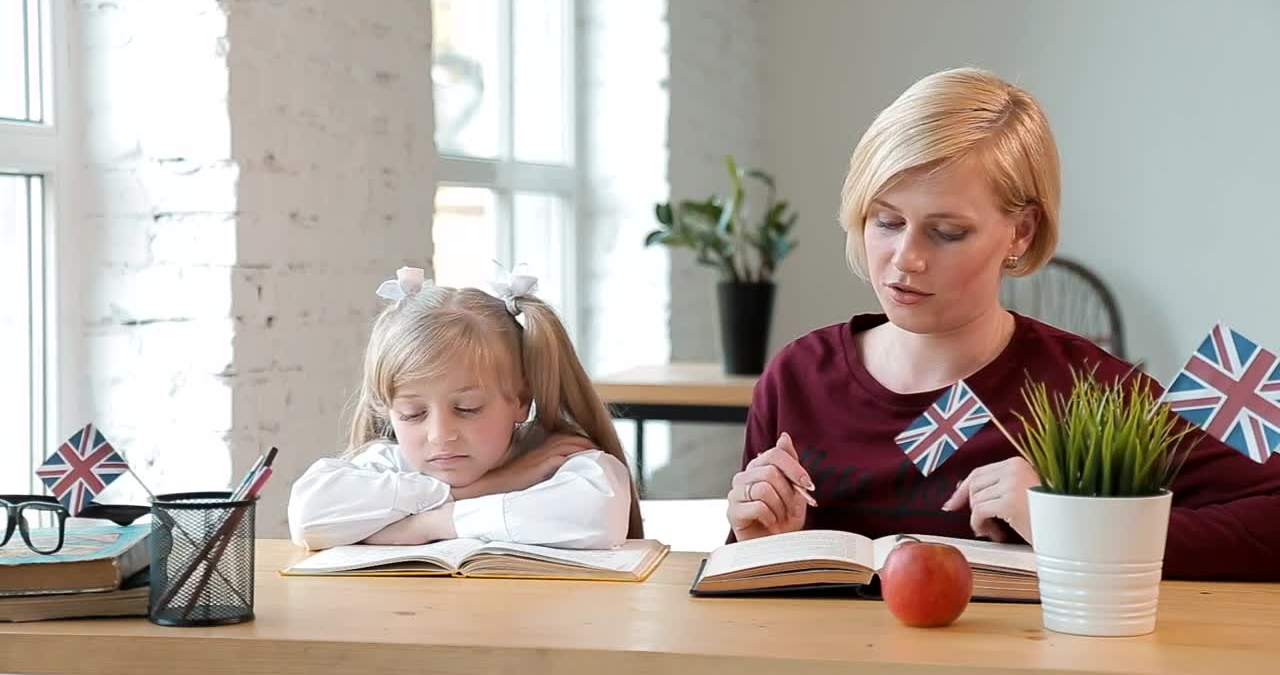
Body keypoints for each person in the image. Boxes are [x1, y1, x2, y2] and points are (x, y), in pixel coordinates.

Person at [724, 67, 1280, 580]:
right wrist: (756, 542)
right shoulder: (796, 375)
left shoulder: (1095, 387)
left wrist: (1071, 525)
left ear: (1021, 233)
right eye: (886, 221)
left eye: (946, 232)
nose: (905, 259)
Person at [289, 265, 642, 551]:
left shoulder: (559, 459)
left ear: (521, 401)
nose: (440, 435)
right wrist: (489, 487)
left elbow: (597, 517)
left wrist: (427, 524)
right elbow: (309, 516)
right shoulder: (388, 463)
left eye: (468, 408)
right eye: (413, 414)